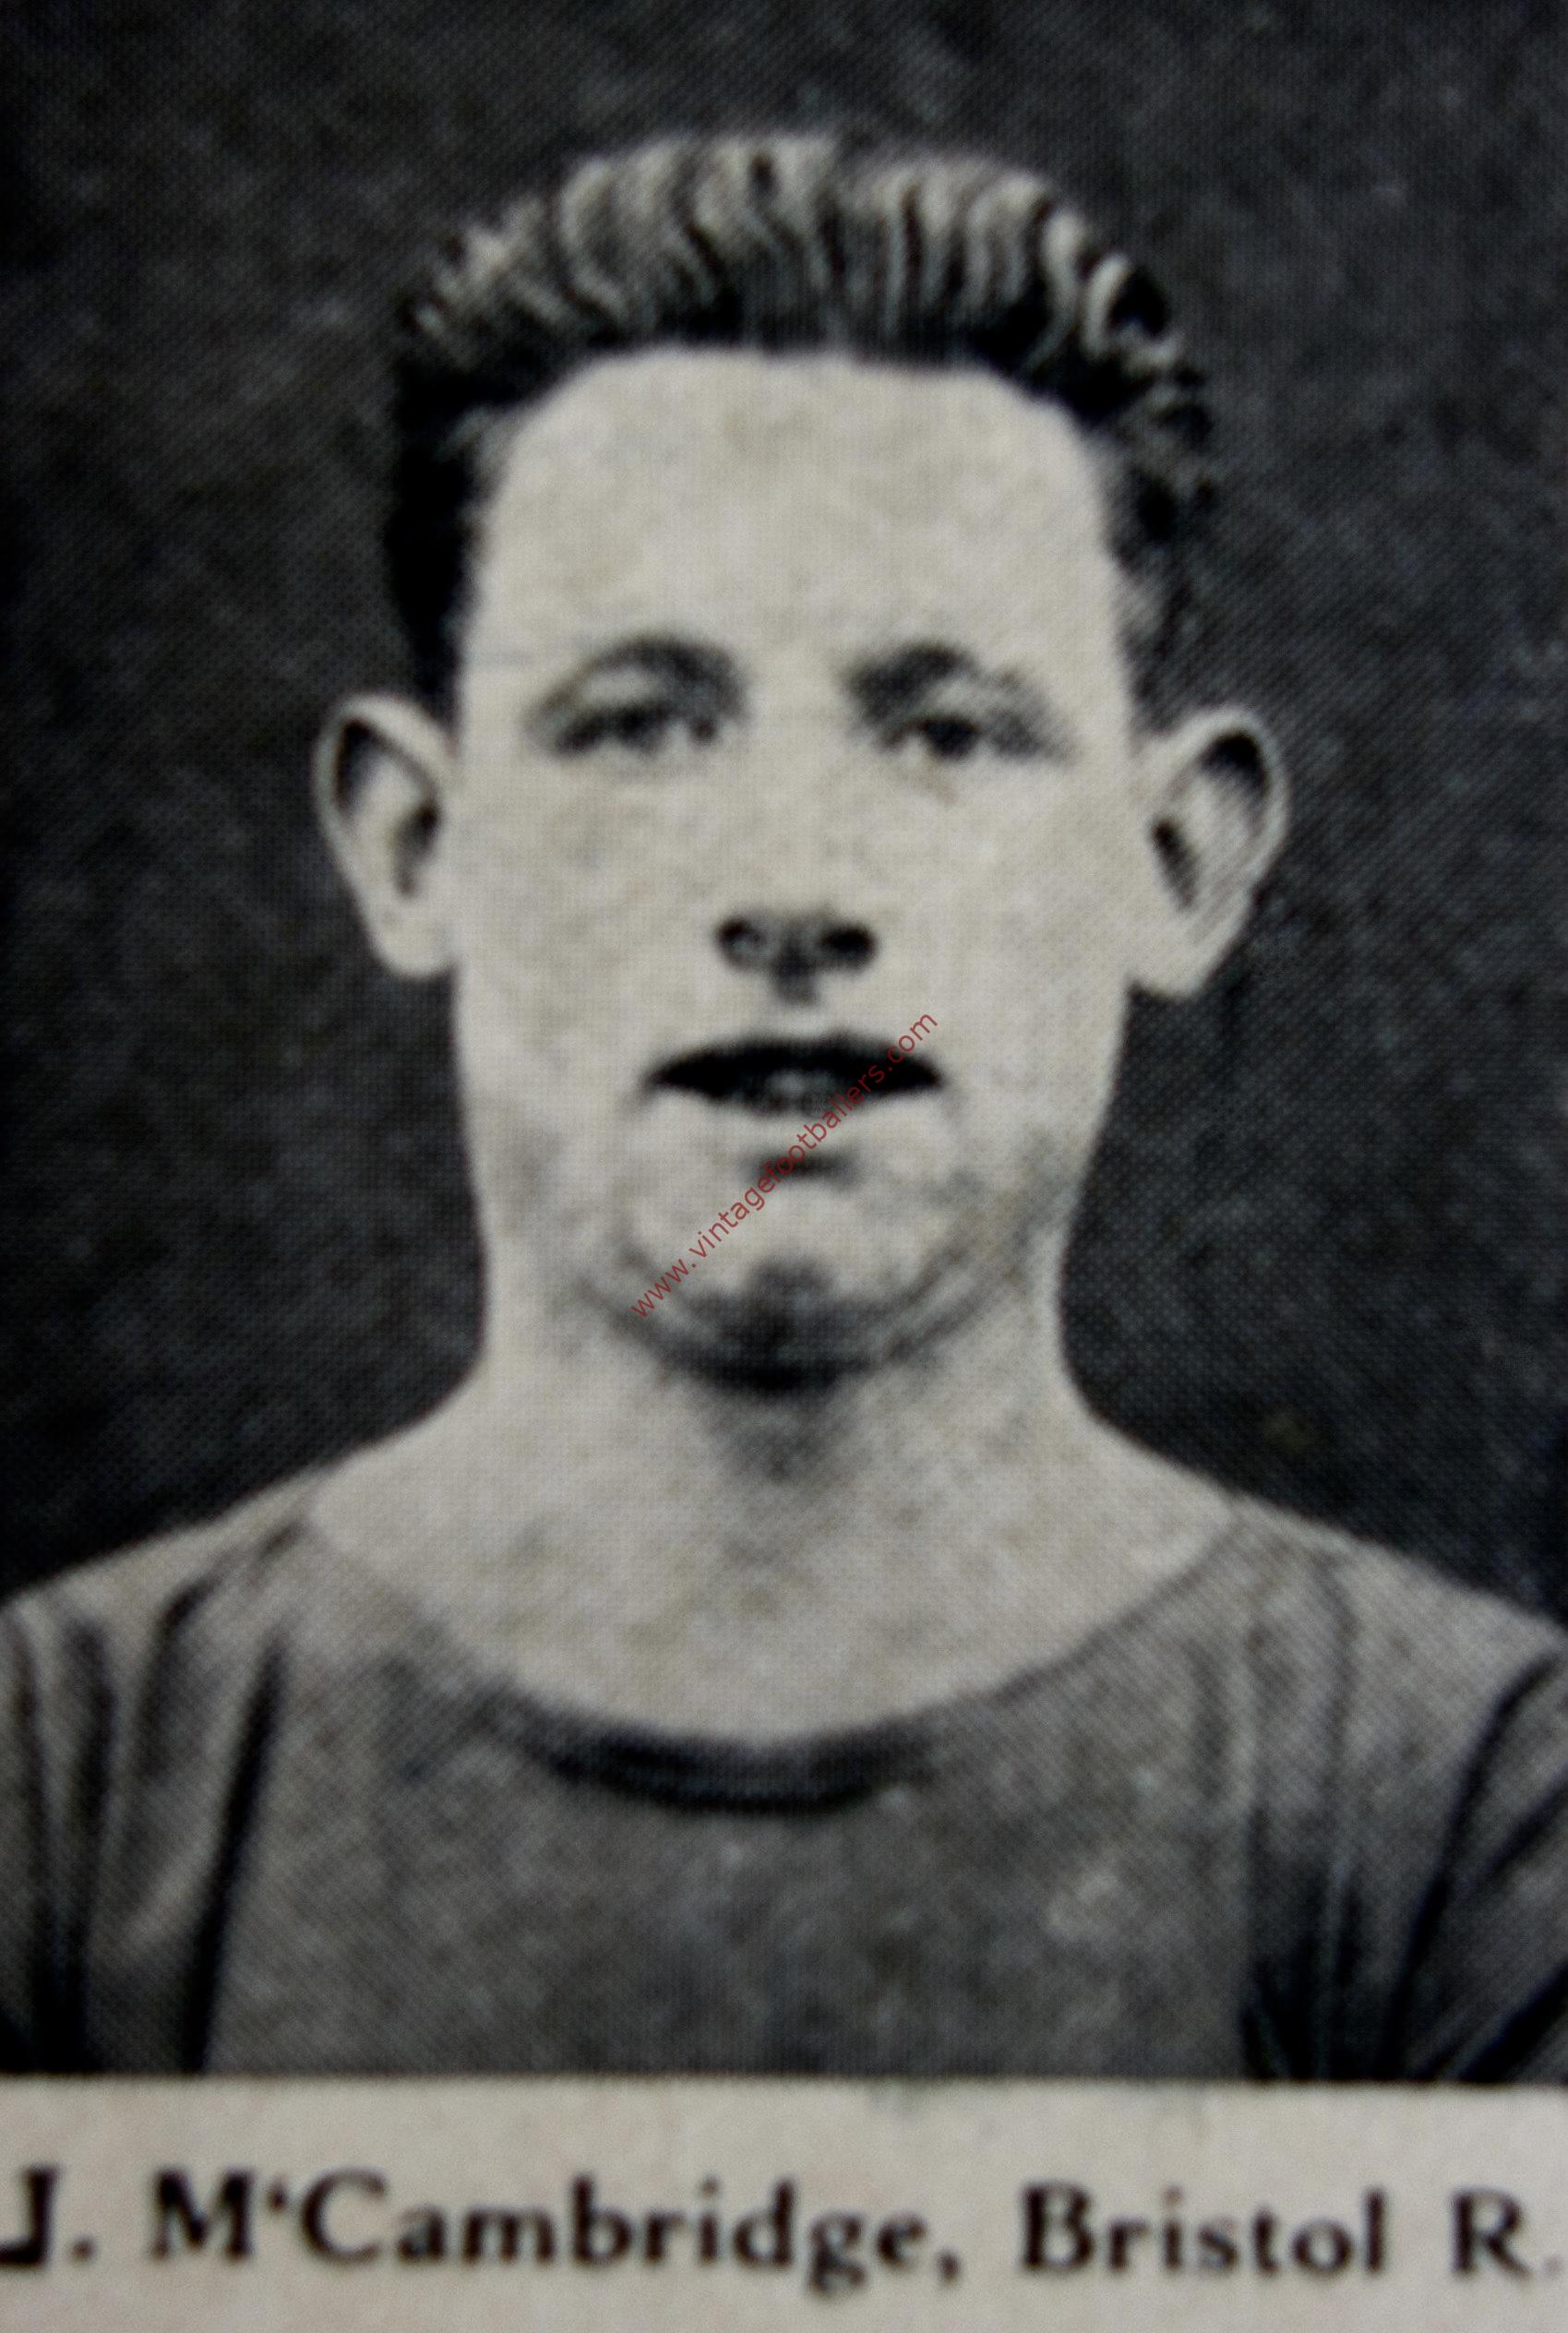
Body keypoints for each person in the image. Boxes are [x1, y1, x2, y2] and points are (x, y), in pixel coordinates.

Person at [3, 133, 1564, 2077]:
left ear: (1173, 858)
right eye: (644, 727)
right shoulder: (59, 1785)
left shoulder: (1478, 1813)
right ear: (416, 843)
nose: (796, 892)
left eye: (946, 733)